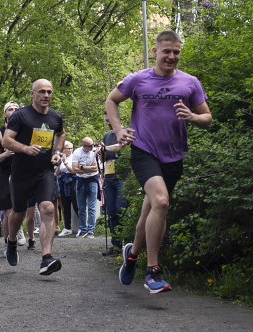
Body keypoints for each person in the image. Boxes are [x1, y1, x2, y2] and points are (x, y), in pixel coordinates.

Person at [105, 30, 212, 294]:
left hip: (174, 155)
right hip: (144, 151)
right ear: (155, 52)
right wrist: (119, 130)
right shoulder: (138, 80)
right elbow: (111, 100)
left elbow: (207, 118)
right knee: (162, 201)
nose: (172, 57)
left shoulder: (190, 83)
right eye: (167, 51)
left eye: (176, 52)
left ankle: (131, 255)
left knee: (151, 209)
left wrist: (192, 117)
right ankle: (153, 271)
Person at [2, 78, 65, 275]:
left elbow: (61, 134)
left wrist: (57, 152)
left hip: (44, 171)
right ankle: (11, 242)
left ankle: (46, 258)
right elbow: (7, 140)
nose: (46, 95)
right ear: (32, 94)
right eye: (42, 92)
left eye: (49, 92)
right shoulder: (21, 116)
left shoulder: (55, 117)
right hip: (21, 172)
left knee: (47, 208)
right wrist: (26, 149)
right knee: (18, 213)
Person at [0, 101, 18, 254]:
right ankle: (8, 242)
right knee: (8, 211)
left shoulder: (24, 131)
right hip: (5, 173)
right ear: (4, 114)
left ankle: (16, 232)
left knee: (20, 209)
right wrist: (5, 154)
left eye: (16, 109)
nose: (13, 111)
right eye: (10, 109)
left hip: (21, 173)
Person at [100, 111, 127, 255]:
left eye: (109, 120)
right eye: (106, 121)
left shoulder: (125, 132)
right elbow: (105, 157)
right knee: (110, 211)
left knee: (120, 209)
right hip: (109, 176)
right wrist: (101, 152)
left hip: (123, 176)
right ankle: (115, 244)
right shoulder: (106, 136)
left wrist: (105, 148)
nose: (108, 123)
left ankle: (125, 242)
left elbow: (121, 146)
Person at [72, 137, 99, 238]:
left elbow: (95, 168)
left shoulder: (94, 152)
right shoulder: (77, 152)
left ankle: (91, 230)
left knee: (92, 207)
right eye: (89, 146)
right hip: (80, 180)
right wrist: (88, 169)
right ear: (84, 146)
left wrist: (81, 167)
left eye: (92, 145)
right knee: (81, 207)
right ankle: (82, 229)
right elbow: (74, 169)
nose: (92, 147)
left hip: (92, 179)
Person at [55, 140, 78, 237]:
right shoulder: (61, 158)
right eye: (67, 148)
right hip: (63, 182)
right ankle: (67, 227)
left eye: (71, 148)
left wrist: (64, 161)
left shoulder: (73, 157)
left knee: (76, 204)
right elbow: (57, 172)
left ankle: (82, 227)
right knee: (65, 206)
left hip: (72, 181)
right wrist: (60, 162)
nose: (70, 150)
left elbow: (72, 170)